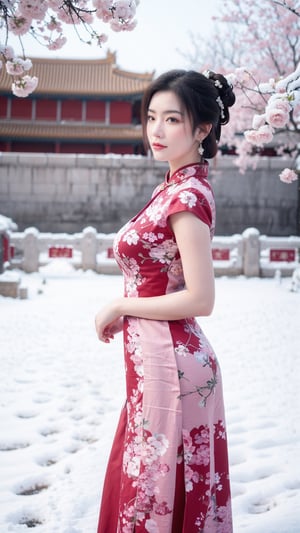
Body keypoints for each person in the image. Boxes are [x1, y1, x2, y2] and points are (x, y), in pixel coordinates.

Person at [95, 69, 236, 532]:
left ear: (201, 129)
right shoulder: (171, 188)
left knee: (154, 491)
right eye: (151, 117)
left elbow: (201, 298)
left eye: (172, 119)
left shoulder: (187, 197)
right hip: (158, 358)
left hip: (173, 365)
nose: (156, 130)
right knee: (151, 484)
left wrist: (121, 306)